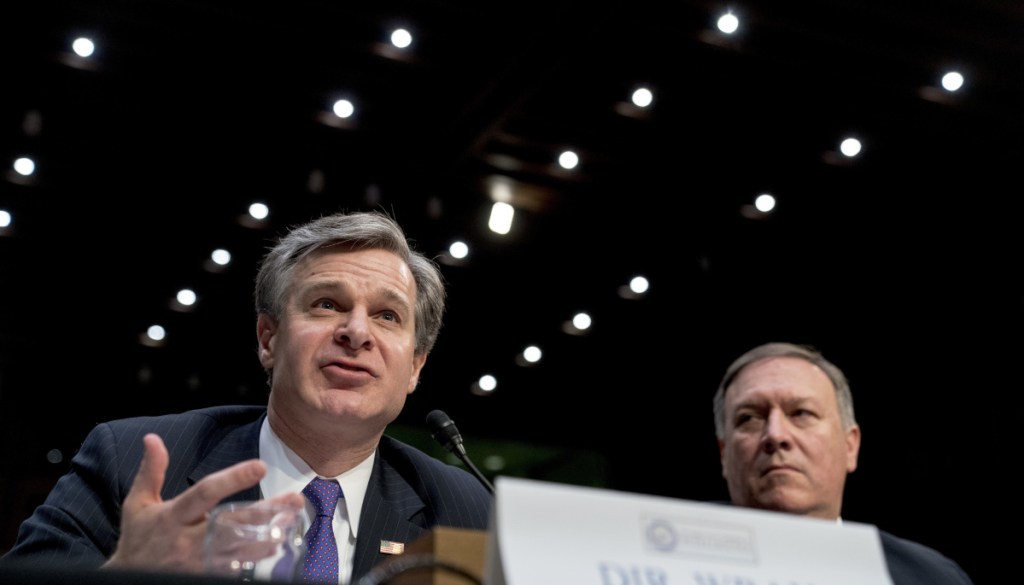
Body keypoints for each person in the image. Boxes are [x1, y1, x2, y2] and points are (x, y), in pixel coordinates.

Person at [1, 210, 493, 584]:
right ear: (267, 339)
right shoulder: (131, 462)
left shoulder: (465, 508)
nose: (356, 331)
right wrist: (127, 575)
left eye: (388, 316)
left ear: (415, 367)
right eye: (327, 304)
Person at [713, 341, 973, 584]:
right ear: (724, 454)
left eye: (802, 413)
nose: (776, 434)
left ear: (850, 446)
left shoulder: (930, 577)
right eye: (749, 418)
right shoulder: (676, 557)